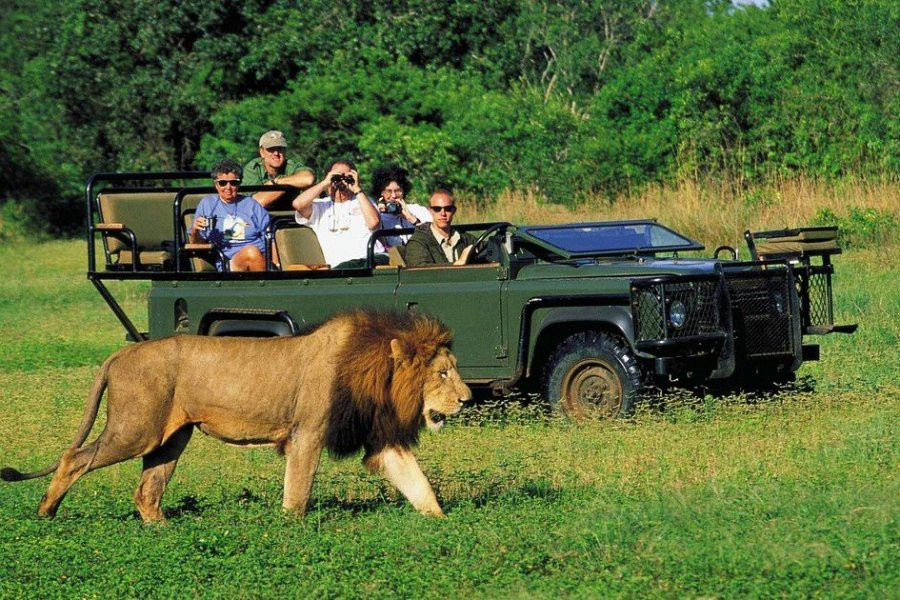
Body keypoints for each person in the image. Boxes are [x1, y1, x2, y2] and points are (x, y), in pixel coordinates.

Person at [291, 159, 384, 268]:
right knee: (348, 266)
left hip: (374, 259)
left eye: (347, 177)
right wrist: (326, 182)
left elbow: (374, 223)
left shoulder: (363, 201)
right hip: (344, 268)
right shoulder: (320, 206)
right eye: (337, 177)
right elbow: (298, 204)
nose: (342, 182)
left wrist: (357, 189)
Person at [189, 159, 270, 271]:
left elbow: (270, 236)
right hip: (230, 260)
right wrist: (195, 230)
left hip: (263, 256)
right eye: (222, 183)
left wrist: (276, 263)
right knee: (251, 252)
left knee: (298, 267)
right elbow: (196, 246)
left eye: (233, 183)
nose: (228, 187)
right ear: (216, 184)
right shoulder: (208, 204)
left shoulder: (251, 204)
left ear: (239, 184)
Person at [243, 130, 315, 209]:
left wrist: (276, 182)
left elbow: (308, 179)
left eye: (280, 148)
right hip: (262, 217)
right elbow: (257, 202)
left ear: (285, 151)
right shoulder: (253, 168)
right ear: (262, 152)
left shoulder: (291, 165)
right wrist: (291, 183)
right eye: (271, 149)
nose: (276, 153)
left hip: (292, 216)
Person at [404, 190, 475, 267]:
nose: (443, 213)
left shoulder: (466, 239)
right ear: (430, 211)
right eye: (437, 209)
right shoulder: (418, 242)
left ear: (453, 211)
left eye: (448, 208)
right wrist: (458, 263)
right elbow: (420, 271)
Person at [371, 164, 431, 248]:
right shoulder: (377, 216)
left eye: (397, 191)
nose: (393, 196)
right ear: (381, 192)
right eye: (388, 191)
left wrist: (411, 218)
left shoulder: (418, 210)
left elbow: (433, 236)